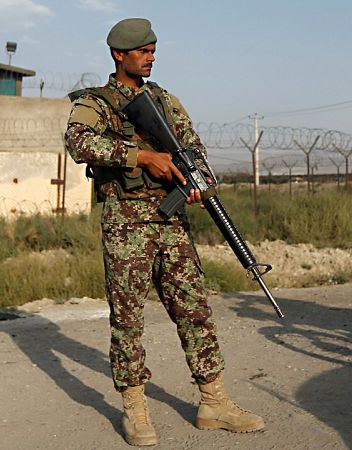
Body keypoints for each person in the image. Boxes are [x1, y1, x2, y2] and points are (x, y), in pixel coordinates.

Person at [64, 18, 264, 446]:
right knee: (129, 318)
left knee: (194, 309)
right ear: (119, 54)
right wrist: (141, 157)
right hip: (127, 224)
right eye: (143, 51)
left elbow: (194, 148)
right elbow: (78, 142)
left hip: (172, 223)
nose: (151, 57)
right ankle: (135, 409)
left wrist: (196, 182)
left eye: (154, 50)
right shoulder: (96, 103)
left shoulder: (165, 100)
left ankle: (214, 402)